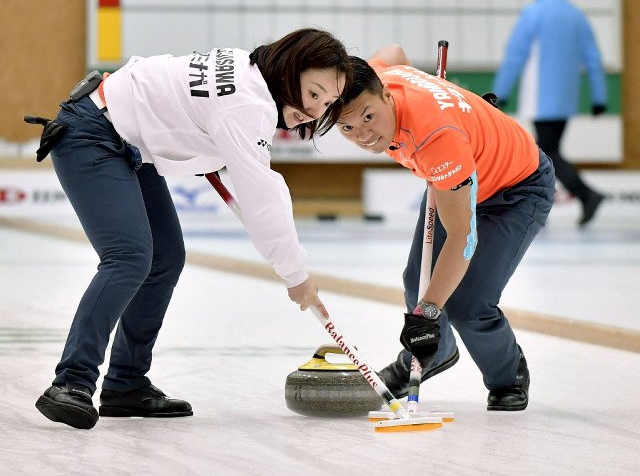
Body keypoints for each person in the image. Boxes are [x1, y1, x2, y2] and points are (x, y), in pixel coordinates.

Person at [25, 28, 351, 430]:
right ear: (288, 69)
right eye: (314, 93)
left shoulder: (249, 73)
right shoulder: (249, 105)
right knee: (129, 258)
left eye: (328, 102)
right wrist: (295, 275)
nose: (316, 111)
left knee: (165, 258)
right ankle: (71, 382)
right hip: (92, 134)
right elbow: (263, 196)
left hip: (127, 141)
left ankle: (125, 382)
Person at [337, 46, 556, 411]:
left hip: (516, 189)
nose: (362, 134)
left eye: (369, 117)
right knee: (418, 282)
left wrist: (428, 314)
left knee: (470, 302)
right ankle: (432, 353)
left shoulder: (435, 140)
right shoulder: (371, 78)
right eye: (347, 127)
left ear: (386, 96)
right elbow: (393, 53)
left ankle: (508, 376)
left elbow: (463, 236)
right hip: (456, 175)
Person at [492, 0, 607, 227]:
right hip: (566, 98)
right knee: (547, 152)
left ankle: (584, 195)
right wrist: (599, 96)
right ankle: (546, 205)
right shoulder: (576, 14)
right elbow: (593, 58)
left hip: (541, 97)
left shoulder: (534, 13)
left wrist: (499, 92)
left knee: (544, 155)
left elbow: (515, 55)